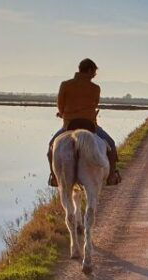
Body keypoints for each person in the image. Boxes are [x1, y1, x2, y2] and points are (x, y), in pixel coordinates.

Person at [47, 58, 121, 187]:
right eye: (94, 72)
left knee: (51, 148)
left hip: (69, 125)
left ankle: (54, 177)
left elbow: (60, 105)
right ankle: (111, 176)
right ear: (90, 70)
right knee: (111, 145)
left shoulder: (65, 85)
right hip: (90, 126)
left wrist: (62, 113)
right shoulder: (95, 88)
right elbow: (94, 103)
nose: (94, 75)